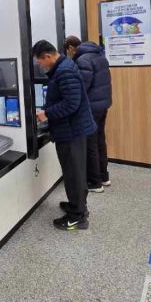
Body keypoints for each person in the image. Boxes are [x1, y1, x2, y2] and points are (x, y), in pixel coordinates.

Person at [32, 39, 96, 231]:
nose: (40, 65)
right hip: (72, 129)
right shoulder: (63, 67)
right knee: (75, 172)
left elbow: (71, 104)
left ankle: (77, 217)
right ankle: (78, 206)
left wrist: (47, 113)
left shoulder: (64, 71)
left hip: (71, 131)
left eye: (40, 61)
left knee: (74, 174)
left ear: (48, 56)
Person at [65, 36, 112, 193]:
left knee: (90, 143)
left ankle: (94, 182)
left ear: (71, 48)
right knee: (100, 140)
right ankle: (104, 176)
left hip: (91, 107)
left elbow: (81, 87)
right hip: (103, 105)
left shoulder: (83, 60)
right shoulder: (99, 56)